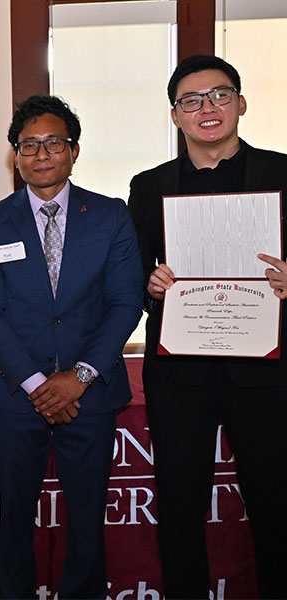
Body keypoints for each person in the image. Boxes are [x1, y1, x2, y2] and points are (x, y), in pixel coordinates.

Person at [0, 95, 143, 599]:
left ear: (74, 150)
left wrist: (80, 375)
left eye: (53, 143)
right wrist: (36, 383)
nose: (41, 154)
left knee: (87, 519)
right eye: (29, 145)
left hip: (90, 396)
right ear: (15, 156)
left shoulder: (109, 216)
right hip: (17, 396)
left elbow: (126, 300)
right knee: (16, 517)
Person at [127, 54, 287, 599]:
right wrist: (151, 285)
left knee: (275, 504)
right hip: (181, 375)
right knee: (178, 506)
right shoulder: (149, 187)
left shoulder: (284, 173)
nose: (207, 109)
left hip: (268, 375)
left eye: (219, 95)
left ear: (241, 103)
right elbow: (133, 276)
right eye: (191, 101)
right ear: (175, 117)